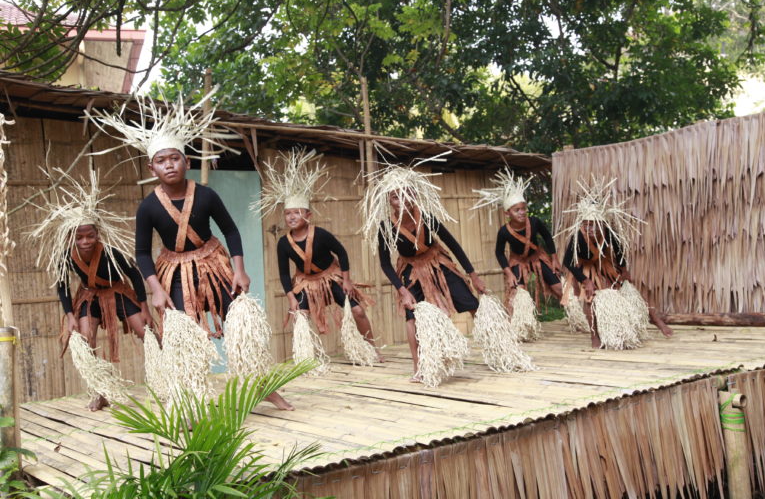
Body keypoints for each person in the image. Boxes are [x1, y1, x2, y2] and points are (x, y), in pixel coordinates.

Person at [89, 91, 293, 410]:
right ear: (152, 168)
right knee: (184, 336)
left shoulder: (206, 195)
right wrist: (156, 289)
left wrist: (240, 269)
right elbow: (141, 253)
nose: (169, 165)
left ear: (186, 161)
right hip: (175, 273)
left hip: (214, 265)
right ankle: (192, 400)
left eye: (174, 158)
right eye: (161, 161)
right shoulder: (148, 207)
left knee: (240, 322)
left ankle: (262, 385)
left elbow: (230, 230)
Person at [32, 170, 152, 411]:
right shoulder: (65, 256)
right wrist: (70, 316)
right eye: (79, 237)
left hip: (117, 293)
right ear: (71, 237)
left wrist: (144, 306)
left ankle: (166, 384)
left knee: (146, 332)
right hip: (89, 296)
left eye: (90, 236)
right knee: (86, 341)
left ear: (98, 234)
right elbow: (63, 286)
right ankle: (101, 392)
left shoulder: (111, 252)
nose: (85, 241)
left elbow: (134, 275)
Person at [361, 161, 486, 382]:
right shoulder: (385, 228)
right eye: (395, 197)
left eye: (406, 194)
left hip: (438, 262)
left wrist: (473, 276)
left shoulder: (427, 218)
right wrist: (402, 291)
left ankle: (493, 348)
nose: (402, 200)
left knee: (471, 303)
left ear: (414, 195)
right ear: (389, 201)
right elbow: (385, 264)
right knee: (411, 317)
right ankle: (418, 367)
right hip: (411, 270)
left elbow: (454, 246)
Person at [255, 148, 383, 363]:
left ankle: (373, 349)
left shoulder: (321, 234)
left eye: (297, 213)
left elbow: (341, 252)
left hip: (330, 278)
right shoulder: (283, 243)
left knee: (358, 311)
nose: (291, 217)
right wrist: (291, 298)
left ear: (308, 215)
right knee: (300, 316)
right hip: (305, 283)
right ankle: (306, 359)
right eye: (288, 213)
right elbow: (284, 274)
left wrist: (346, 280)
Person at [561, 178, 673, 348]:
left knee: (630, 290)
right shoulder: (578, 237)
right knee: (590, 298)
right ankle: (594, 336)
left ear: (601, 223)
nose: (589, 229)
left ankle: (658, 322)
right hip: (584, 267)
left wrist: (623, 270)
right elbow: (568, 261)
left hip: (604, 262)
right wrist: (585, 280)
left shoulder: (609, 232)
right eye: (586, 225)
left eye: (593, 225)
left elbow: (619, 251)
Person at [473, 168, 563, 312]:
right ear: (507, 213)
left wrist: (554, 258)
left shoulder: (534, 222)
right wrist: (509, 273)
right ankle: (516, 322)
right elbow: (499, 253)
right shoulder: (504, 231)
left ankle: (576, 317)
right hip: (518, 262)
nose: (522, 212)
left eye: (523, 209)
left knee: (559, 287)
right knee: (516, 294)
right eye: (517, 210)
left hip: (537, 258)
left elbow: (547, 237)